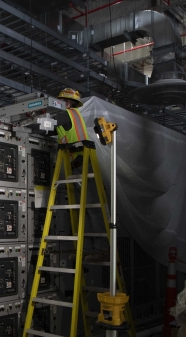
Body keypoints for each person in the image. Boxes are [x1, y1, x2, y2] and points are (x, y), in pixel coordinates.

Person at [53, 88, 109, 262]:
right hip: (77, 166)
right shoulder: (70, 117)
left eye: (61, 102)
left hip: (83, 164)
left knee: (92, 209)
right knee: (83, 210)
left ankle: (101, 249)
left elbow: (44, 123)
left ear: (68, 103)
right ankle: (87, 249)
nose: (59, 105)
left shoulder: (66, 115)